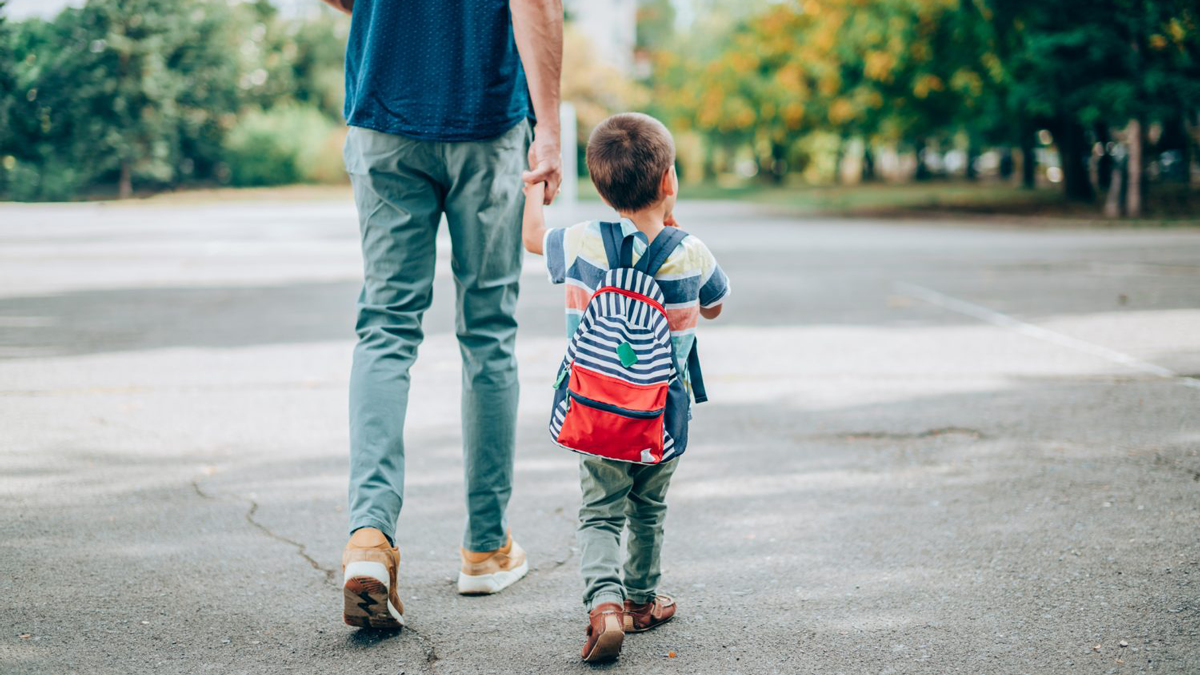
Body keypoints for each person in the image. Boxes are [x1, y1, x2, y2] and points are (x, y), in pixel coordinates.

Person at [320, 0, 564, 630]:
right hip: (484, 118)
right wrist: (551, 129)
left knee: (385, 326)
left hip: (384, 108)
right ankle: (485, 548)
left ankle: (369, 539)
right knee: (488, 332)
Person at [521, 113, 730, 662]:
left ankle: (604, 607)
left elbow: (531, 239)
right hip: (660, 417)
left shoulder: (582, 242)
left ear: (600, 186)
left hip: (595, 414)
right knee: (648, 508)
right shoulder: (692, 252)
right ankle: (640, 602)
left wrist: (536, 188)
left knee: (599, 512)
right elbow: (713, 305)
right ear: (669, 182)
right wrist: (673, 228)